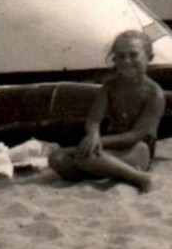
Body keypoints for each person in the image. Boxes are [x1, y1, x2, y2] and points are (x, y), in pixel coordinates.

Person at [48, 30, 164, 193]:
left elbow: (136, 135)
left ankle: (140, 178)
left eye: (133, 55)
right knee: (57, 158)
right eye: (121, 56)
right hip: (109, 150)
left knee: (87, 159)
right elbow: (94, 119)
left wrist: (100, 141)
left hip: (138, 149)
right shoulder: (109, 87)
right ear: (114, 59)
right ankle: (110, 170)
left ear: (149, 58)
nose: (127, 61)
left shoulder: (154, 94)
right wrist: (93, 135)